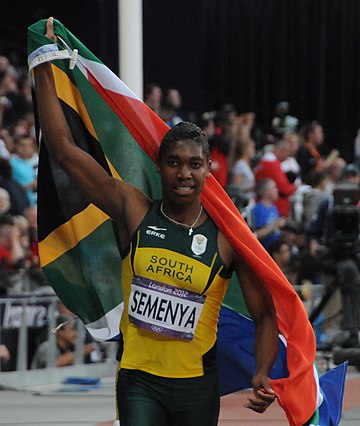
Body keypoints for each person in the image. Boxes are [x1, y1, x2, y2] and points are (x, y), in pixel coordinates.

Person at [32, 17, 278, 425]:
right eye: (174, 163)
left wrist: (262, 371)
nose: (184, 173)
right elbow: (64, 152)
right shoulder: (134, 209)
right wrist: (43, 62)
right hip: (138, 381)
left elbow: (266, 314)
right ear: (159, 167)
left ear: (208, 170)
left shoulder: (227, 238)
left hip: (197, 388)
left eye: (194, 165)